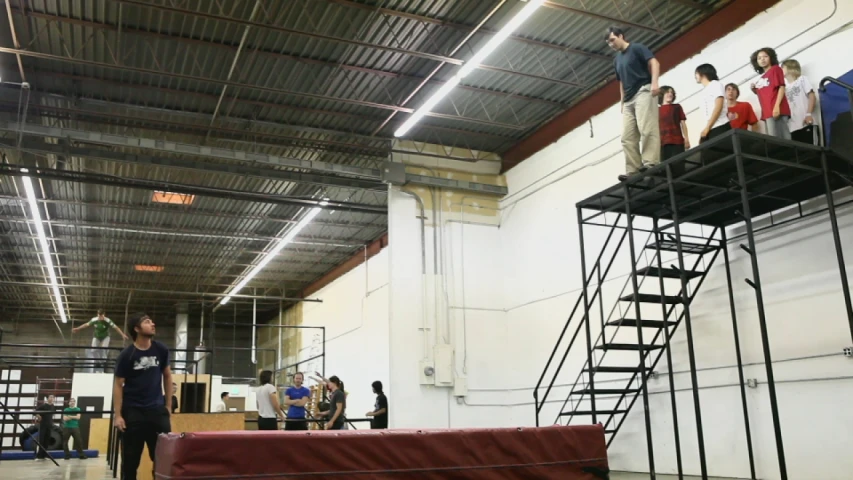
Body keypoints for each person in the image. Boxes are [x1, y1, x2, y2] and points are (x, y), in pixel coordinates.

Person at [113, 312, 172, 480]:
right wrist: (118, 416)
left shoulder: (161, 349)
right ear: (137, 328)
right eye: (147, 322)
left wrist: (167, 406)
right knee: (130, 463)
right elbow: (118, 385)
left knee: (163, 460)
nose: (152, 324)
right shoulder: (127, 355)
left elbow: (167, 376)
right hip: (133, 413)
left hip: (156, 412)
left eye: (152, 321)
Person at [605, 26, 661, 181]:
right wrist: (622, 101)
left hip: (643, 89)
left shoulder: (637, 48)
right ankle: (633, 170)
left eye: (612, 40)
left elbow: (654, 63)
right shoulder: (617, 60)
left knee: (647, 127)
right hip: (629, 99)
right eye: (608, 43)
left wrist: (655, 83)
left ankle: (650, 163)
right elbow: (621, 82)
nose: (611, 44)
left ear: (621, 36)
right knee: (627, 137)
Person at [750, 47, 791, 139]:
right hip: (767, 112)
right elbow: (765, 94)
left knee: (783, 137)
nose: (762, 59)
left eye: (765, 56)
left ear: (771, 57)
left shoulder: (775, 69)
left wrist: (777, 107)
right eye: (759, 58)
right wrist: (754, 90)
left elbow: (781, 87)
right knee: (773, 139)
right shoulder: (761, 78)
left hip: (777, 109)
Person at [782, 59, 817, 144]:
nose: (781, 70)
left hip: (806, 123)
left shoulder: (802, 79)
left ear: (790, 67)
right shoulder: (785, 89)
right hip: (793, 127)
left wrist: (808, 114)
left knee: (813, 150)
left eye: (782, 68)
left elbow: (812, 96)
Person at [695, 64, 730, 143]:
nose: (695, 76)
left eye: (696, 73)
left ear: (703, 73)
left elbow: (718, 106)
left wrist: (707, 127)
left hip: (720, 125)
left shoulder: (715, 84)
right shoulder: (704, 91)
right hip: (710, 128)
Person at [657, 86, 690, 162]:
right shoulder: (657, 110)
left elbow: (683, 123)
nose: (670, 94)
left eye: (671, 92)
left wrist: (686, 138)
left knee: (679, 164)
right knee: (666, 167)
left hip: (677, 141)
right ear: (662, 94)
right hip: (663, 143)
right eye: (667, 92)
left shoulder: (677, 107)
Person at [34, 395, 55, 460]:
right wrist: (39, 416)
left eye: (53, 397)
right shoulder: (43, 405)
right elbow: (35, 412)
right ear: (47, 398)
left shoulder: (53, 406)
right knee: (41, 440)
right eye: (50, 397)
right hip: (43, 425)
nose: (51, 399)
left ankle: (44, 455)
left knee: (46, 440)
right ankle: (38, 456)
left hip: (49, 425)